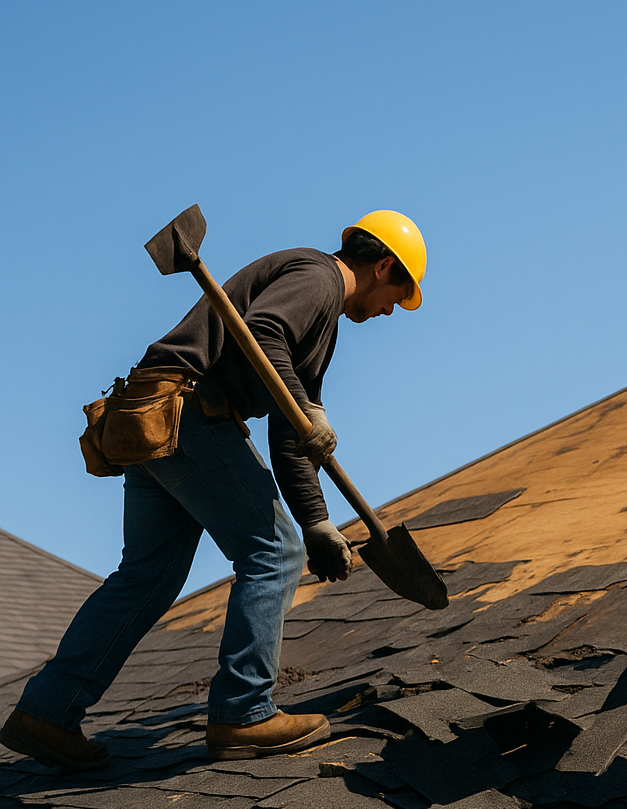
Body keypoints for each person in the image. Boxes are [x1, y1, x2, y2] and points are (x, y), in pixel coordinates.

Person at [0, 211, 427, 771]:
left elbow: (290, 429)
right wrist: (306, 409)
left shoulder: (320, 314)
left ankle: (46, 712)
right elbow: (266, 333)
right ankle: (245, 712)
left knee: (147, 577)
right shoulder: (319, 281)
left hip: (156, 418)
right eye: (399, 294)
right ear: (383, 266)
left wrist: (318, 521)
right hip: (192, 417)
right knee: (273, 552)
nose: (392, 309)